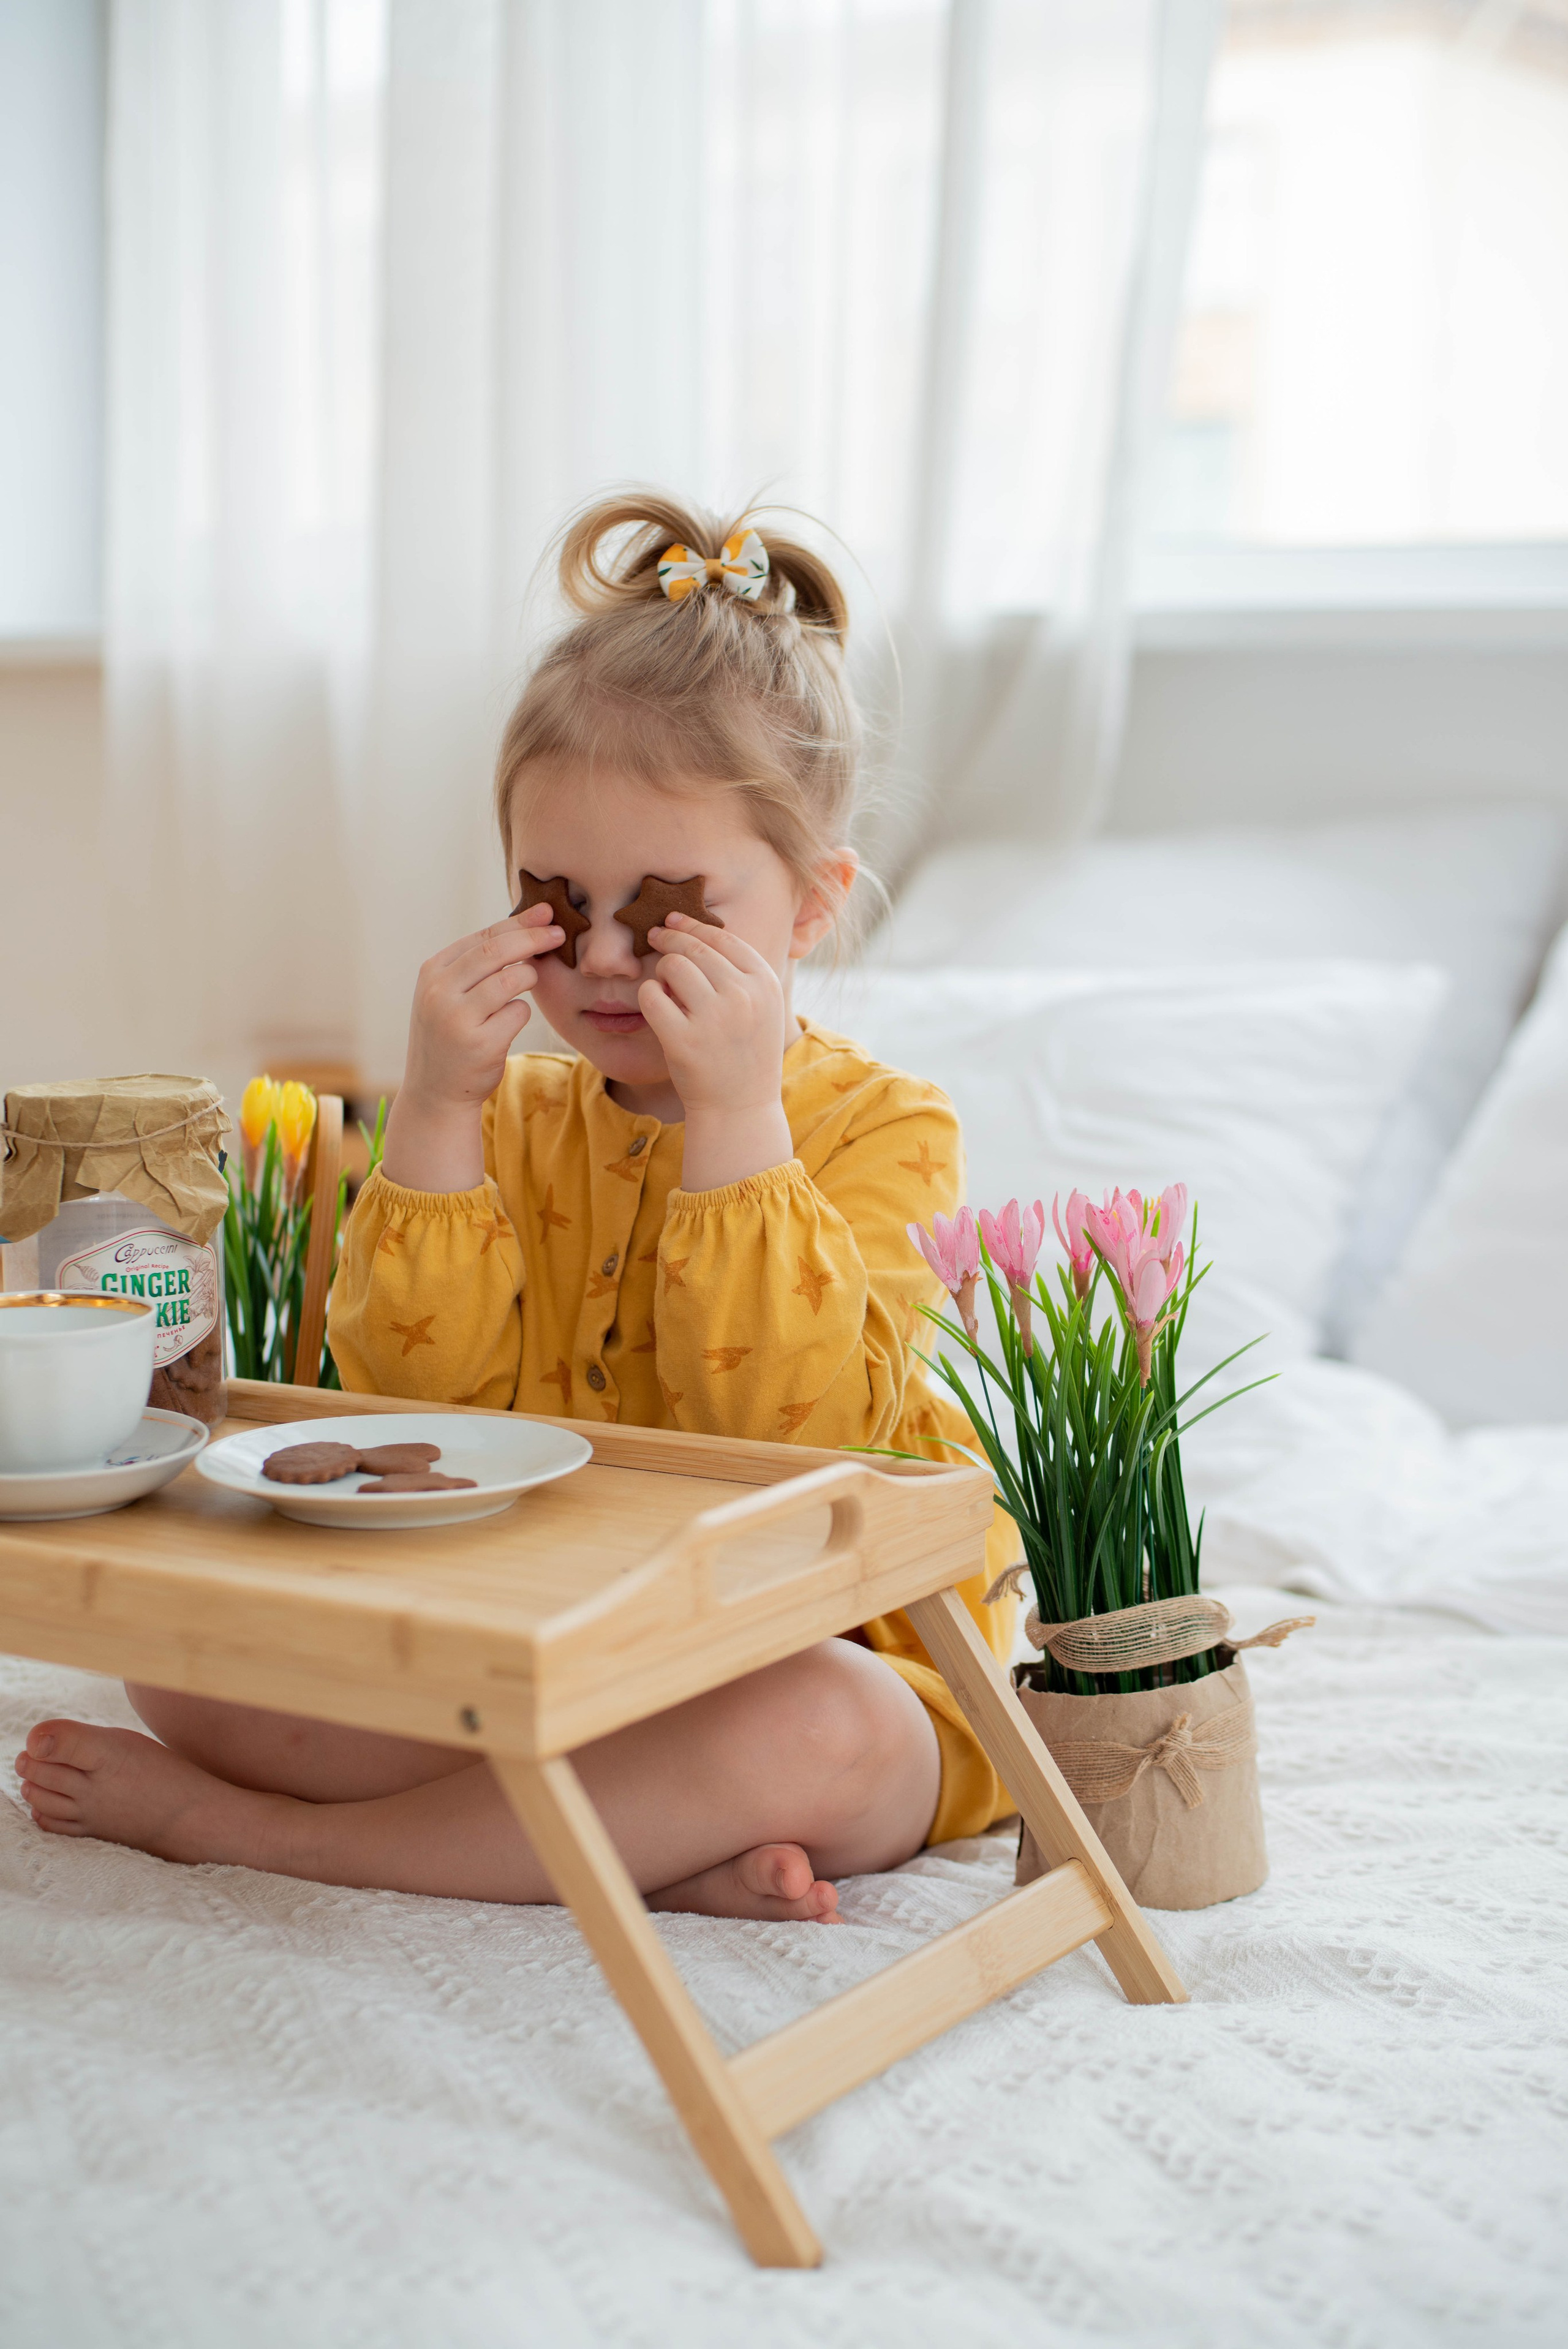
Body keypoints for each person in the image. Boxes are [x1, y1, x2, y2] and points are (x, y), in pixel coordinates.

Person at [15, 493, 1018, 1922]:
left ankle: (266, 1839)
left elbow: (792, 1450)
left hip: (816, 1653)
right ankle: (641, 1847)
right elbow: (418, 1420)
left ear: (810, 908)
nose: (604, 959)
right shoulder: (519, 1117)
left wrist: (735, 1121)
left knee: (822, 1727)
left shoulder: (889, 1128)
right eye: (556, 904)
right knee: (185, 1665)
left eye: (669, 912)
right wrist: (433, 1111)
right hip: (555, 1639)